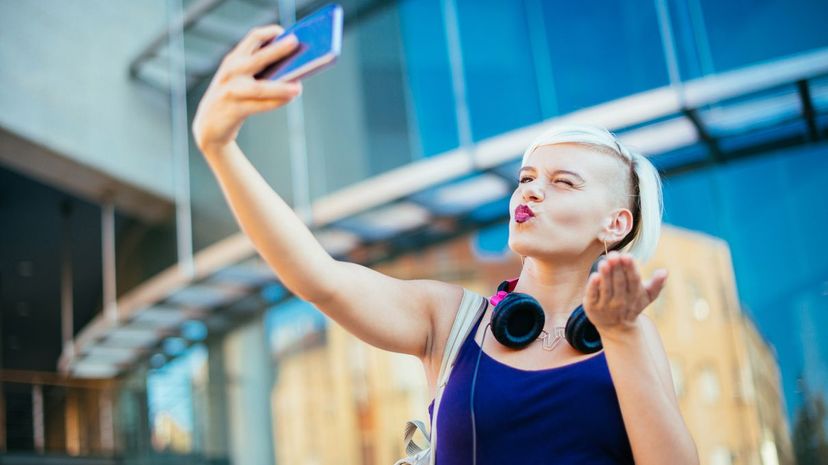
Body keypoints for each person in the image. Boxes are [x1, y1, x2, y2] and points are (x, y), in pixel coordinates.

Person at [192, 24, 700, 465]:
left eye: (563, 182)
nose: (531, 190)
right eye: (526, 177)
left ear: (615, 224)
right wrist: (220, 148)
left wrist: (622, 335)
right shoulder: (450, 321)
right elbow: (318, 277)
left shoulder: (629, 336)